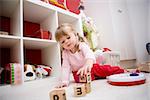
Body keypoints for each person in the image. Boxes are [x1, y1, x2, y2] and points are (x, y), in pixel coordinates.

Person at [55, 23, 125, 88]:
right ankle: (97, 76)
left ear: (75, 35)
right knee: (79, 78)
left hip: (91, 67)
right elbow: (65, 67)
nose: (66, 41)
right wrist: (64, 81)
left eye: (68, 37)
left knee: (105, 70)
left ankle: (122, 71)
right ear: (61, 45)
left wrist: (87, 64)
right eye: (63, 42)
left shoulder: (82, 45)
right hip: (78, 73)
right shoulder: (65, 53)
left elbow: (89, 54)